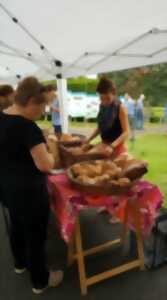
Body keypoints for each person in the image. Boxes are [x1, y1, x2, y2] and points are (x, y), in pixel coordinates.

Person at [0, 77, 63, 294]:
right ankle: (40, 281)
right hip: (29, 193)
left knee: (16, 227)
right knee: (35, 236)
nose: (43, 111)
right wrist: (52, 146)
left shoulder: (2, 116)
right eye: (43, 106)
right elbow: (46, 165)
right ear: (31, 102)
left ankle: (20, 264)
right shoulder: (28, 128)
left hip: (7, 188)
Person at [85, 77, 129, 156]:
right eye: (101, 98)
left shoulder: (121, 108)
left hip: (117, 147)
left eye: (108, 98)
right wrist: (89, 139)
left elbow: (126, 132)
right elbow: (100, 127)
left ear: (113, 94)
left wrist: (112, 146)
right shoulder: (102, 105)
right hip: (104, 145)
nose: (104, 102)